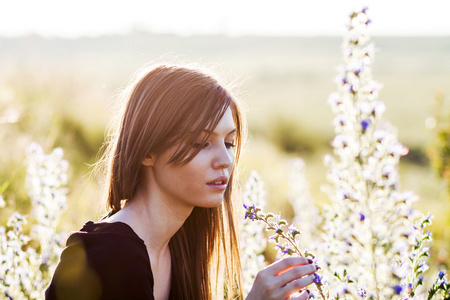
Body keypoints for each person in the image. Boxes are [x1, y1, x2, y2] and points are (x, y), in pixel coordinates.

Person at [45, 64, 318, 300]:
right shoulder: (112, 255)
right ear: (148, 151)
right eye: (201, 142)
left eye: (229, 143)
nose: (225, 160)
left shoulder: (179, 248)